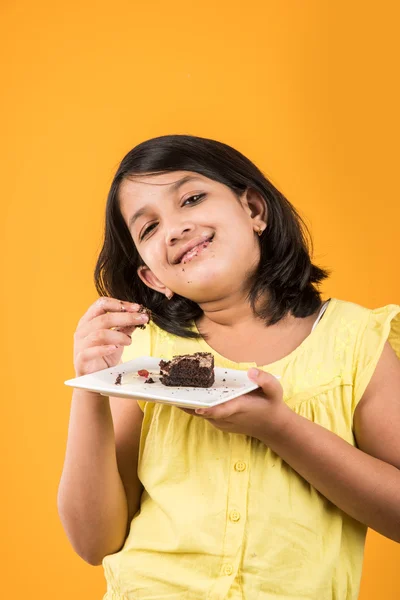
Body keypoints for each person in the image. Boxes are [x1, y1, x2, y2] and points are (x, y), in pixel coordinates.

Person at [58, 135, 400, 600]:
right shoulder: (141, 355)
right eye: (149, 228)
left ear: (254, 210)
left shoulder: (357, 340)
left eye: (192, 198)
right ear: (152, 277)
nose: (174, 228)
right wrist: (90, 386)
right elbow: (94, 542)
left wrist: (278, 428)